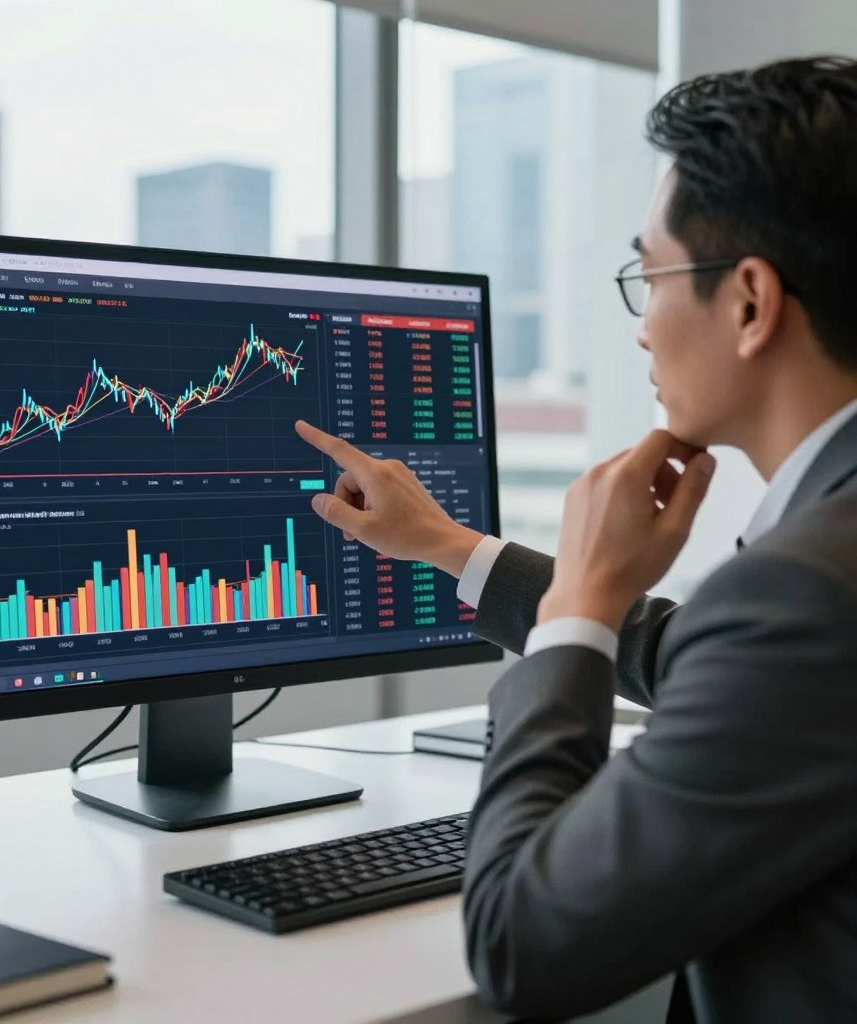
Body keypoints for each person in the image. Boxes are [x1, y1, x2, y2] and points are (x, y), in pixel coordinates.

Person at [295, 55, 857, 1023]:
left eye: (650, 274)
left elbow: (522, 945)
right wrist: (453, 546)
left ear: (749, 302)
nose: (640, 328)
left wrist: (580, 607)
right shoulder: (818, 576)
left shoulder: (807, 593)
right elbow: (723, 667)